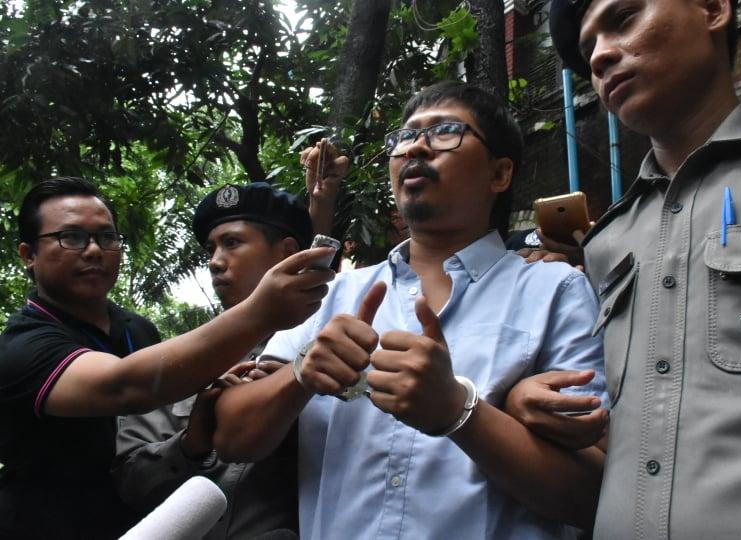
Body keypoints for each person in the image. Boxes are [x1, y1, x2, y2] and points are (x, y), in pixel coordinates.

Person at [211, 81, 608, 539]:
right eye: (404, 137)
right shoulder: (334, 294)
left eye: (445, 131)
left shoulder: (556, 290)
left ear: (499, 174)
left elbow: (592, 495)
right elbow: (232, 439)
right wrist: (300, 373)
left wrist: (458, 411)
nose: (415, 145)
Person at [513, 1, 741, 537]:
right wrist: (526, 403)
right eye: (588, 50)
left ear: (713, 9)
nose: (601, 55)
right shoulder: (606, 244)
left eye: (623, 18)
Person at [0, 177, 335, 538]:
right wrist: (194, 439)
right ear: (28, 255)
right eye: (72, 237)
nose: (94, 250)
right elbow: (128, 385)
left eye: (106, 237)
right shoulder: (23, 348)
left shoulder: (139, 332)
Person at [113, 143, 348, 539]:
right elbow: (130, 483)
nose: (214, 260)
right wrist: (193, 442)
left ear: (287, 252)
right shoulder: (177, 362)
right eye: (210, 248)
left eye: (233, 243)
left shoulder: (333, 350)